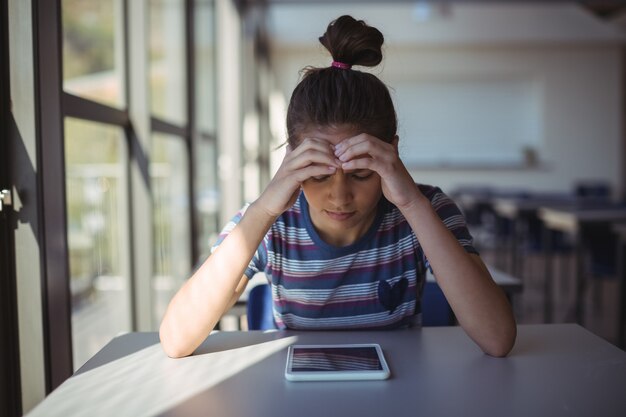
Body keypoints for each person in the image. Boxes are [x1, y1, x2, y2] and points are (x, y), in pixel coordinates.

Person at [159, 15, 516, 358]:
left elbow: (497, 338)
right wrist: (265, 210)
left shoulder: (427, 207)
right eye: (318, 174)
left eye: (362, 174)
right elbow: (176, 340)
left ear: (391, 154)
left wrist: (412, 204)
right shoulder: (269, 222)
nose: (340, 196)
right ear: (293, 160)